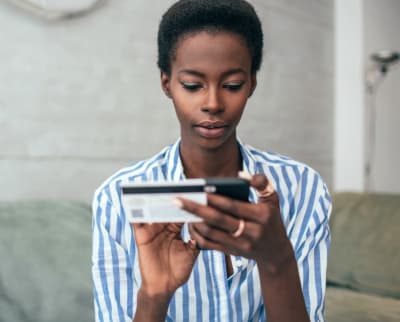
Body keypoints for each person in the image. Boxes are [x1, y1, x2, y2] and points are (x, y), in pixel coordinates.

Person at [92, 0, 331, 321]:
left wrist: (277, 261)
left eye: (232, 85)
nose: (213, 103)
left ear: (252, 83)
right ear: (166, 83)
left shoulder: (303, 189)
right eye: (192, 86)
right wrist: (153, 296)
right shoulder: (115, 199)